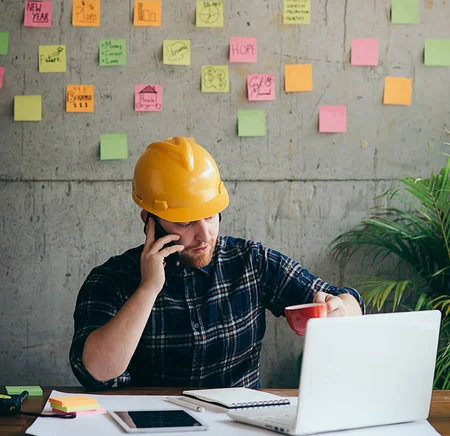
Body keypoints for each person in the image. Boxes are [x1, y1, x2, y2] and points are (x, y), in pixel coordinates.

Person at [70, 136, 364, 390]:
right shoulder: (112, 278)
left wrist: (341, 309)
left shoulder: (250, 261)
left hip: (238, 432)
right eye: (185, 221)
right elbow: (96, 372)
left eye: (210, 215)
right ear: (150, 220)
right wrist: (148, 289)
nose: (204, 234)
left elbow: (346, 301)